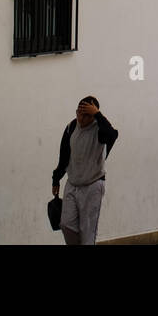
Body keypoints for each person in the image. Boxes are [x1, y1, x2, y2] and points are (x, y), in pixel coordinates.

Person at [51, 95, 118, 245]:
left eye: (87, 114)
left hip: (92, 185)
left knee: (88, 232)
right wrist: (56, 179)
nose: (81, 118)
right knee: (66, 224)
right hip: (72, 184)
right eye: (79, 113)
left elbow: (113, 134)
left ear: (94, 114)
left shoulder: (100, 130)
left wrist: (98, 115)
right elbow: (64, 156)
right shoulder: (71, 127)